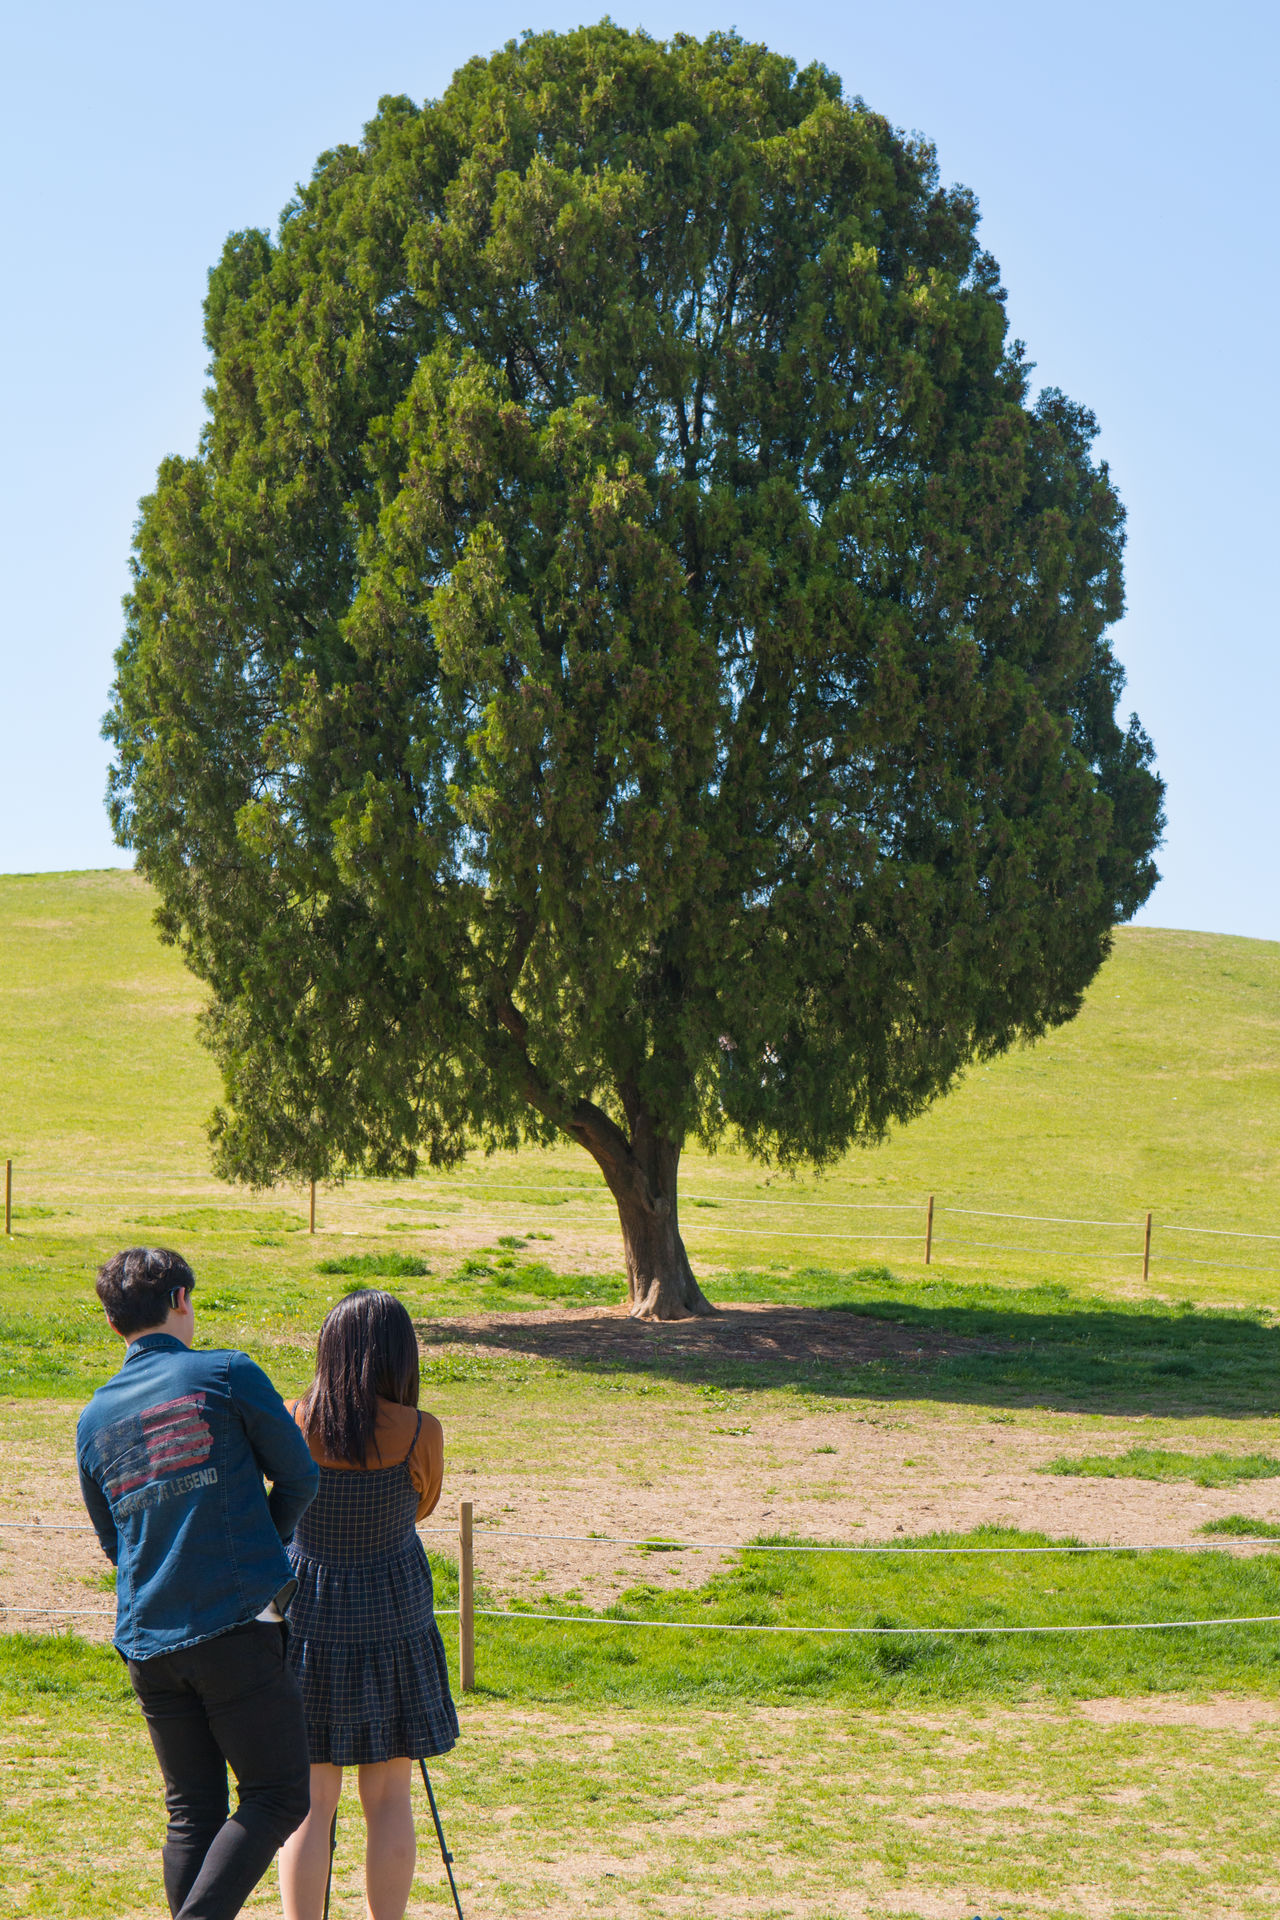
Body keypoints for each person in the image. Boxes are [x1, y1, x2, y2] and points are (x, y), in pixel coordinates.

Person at [76, 1246, 319, 1920]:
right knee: (277, 1794)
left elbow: (113, 1544)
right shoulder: (227, 1373)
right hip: (235, 1624)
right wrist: (259, 1550)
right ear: (181, 1299)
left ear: (110, 1322)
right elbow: (300, 1476)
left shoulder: (92, 1420)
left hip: (147, 1639)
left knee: (193, 1811)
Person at [278, 1288, 458, 1920]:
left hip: (309, 1613)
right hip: (393, 1610)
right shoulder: (420, 1431)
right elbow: (423, 1506)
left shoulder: (293, 1418)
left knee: (309, 1798)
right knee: (388, 1794)